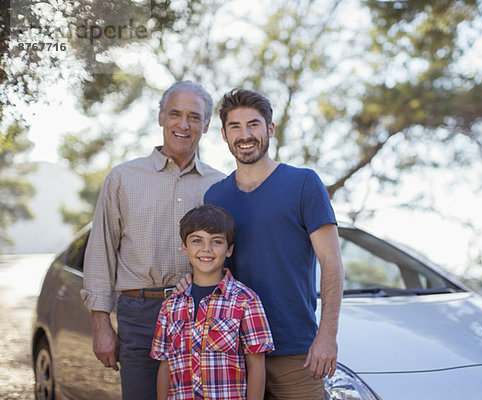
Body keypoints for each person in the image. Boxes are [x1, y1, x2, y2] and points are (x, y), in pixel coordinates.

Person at [196, 88, 344, 399]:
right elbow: (212, 265)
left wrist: (327, 335)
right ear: (223, 135)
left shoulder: (303, 184)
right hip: (233, 351)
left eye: (253, 124)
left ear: (270, 129)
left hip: (294, 350)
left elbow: (331, 262)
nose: (245, 135)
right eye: (235, 127)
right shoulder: (215, 197)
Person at [81, 81, 225, 400]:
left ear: (206, 124)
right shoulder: (123, 178)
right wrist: (101, 325)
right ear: (161, 117)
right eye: (175, 114)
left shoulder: (219, 186)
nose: (183, 125)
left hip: (202, 312)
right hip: (139, 312)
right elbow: (100, 252)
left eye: (193, 116)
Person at [151, 205, 274, 400]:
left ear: (229, 249)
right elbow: (165, 366)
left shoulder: (246, 301)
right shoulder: (170, 306)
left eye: (216, 242)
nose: (206, 249)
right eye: (196, 241)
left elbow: (256, 366)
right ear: (184, 247)